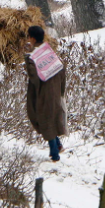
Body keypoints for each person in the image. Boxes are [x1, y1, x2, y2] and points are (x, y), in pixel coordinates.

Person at [24, 25, 67, 162]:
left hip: (42, 94)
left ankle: (54, 153)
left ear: (32, 38)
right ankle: (58, 144)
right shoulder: (49, 52)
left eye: (28, 36)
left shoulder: (33, 57)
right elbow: (62, 71)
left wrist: (27, 59)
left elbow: (35, 79)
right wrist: (61, 91)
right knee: (52, 118)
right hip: (54, 92)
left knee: (44, 120)